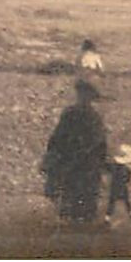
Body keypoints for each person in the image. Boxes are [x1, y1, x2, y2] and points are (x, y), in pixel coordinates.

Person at [41, 79, 110, 223]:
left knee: (78, 187)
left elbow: (58, 136)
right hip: (80, 158)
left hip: (79, 158)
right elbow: (60, 135)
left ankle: (77, 214)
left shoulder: (84, 114)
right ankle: (79, 214)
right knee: (78, 187)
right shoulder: (85, 115)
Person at [105, 144, 131, 224]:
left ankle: (107, 218)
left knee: (112, 202)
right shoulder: (127, 168)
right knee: (126, 201)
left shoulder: (115, 167)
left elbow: (107, 166)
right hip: (122, 186)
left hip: (116, 186)